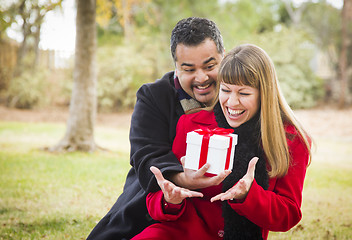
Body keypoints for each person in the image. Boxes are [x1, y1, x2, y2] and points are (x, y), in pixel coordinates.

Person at [131, 44, 312, 240]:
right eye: (226, 90)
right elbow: (155, 201)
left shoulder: (291, 140)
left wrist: (248, 195)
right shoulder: (192, 124)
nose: (232, 103)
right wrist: (170, 199)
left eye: (243, 94)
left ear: (264, 94)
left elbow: (288, 215)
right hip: (178, 234)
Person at [87, 17, 229, 240]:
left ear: (224, 58)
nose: (202, 78)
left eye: (210, 66)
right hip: (154, 205)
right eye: (189, 69)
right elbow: (146, 155)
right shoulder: (153, 96)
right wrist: (182, 178)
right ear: (175, 67)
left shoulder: (239, 96)